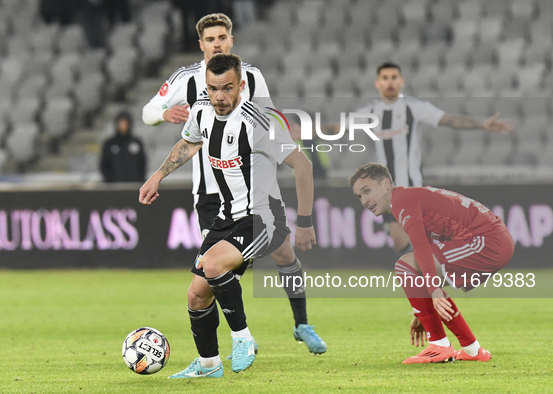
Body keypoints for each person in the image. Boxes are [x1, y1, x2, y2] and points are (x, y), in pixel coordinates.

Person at [142, 13, 326, 354]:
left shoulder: (252, 77)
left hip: (254, 188)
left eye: (221, 38)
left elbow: (270, 120)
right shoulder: (187, 81)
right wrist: (163, 116)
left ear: (230, 40)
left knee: (282, 253)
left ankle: (299, 323)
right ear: (201, 45)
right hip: (210, 193)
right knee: (215, 275)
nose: (216, 44)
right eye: (209, 39)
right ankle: (227, 347)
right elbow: (150, 113)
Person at [326, 62, 514, 255]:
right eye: (385, 78)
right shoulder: (371, 112)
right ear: (378, 84)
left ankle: (432, 274)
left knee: (412, 242)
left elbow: (448, 119)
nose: (389, 82)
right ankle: (431, 275)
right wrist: (305, 131)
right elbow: (336, 128)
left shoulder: (413, 107)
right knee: (404, 242)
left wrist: (483, 124)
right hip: (385, 190)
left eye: (393, 77)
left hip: (411, 186)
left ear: (401, 81)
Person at [350, 163, 514, 364]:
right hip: (493, 240)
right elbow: (427, 245)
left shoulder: (402, 201)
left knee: (405, 266)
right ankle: (473, 350)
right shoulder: (408, 197)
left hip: (486, 242)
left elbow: (420, 246)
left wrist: (433, 291)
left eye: (367, 191)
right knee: (415, 270)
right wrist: (423, 309)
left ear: (385, 184)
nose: (365, 200)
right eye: (359, 196)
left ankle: (439, 345)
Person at [100, 110, 146, 183]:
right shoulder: (109, 143)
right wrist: (109, 181)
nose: (123, 126)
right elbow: (104, 165)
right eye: (121, 123)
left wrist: (139, 180)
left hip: (134, 185)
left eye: (125, 123)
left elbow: (142, 163)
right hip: (114, 186)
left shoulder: (137, 143)